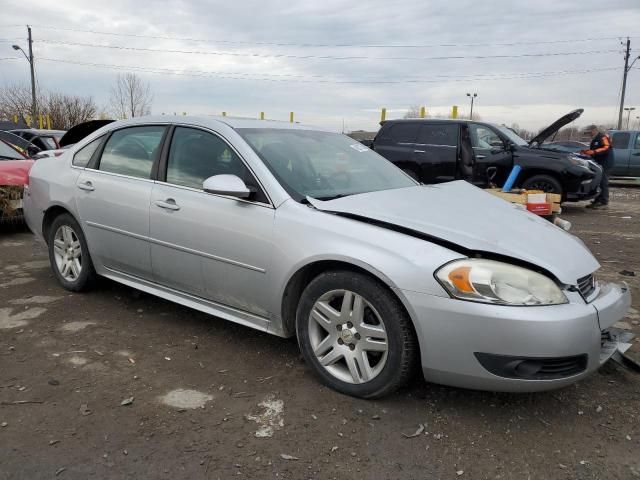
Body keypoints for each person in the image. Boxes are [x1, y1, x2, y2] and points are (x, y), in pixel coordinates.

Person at [581, 124, 613, 208]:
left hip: (605, 163)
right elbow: (595, 150)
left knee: (603, 182)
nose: (589, 134)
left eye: (589, 132)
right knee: (598, 181)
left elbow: (606, 148)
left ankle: (604, 202)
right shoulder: (595, 139)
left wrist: (594, 152)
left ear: (594, 130)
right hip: (598, 163)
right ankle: (597, 200)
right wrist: (587, 152)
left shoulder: (603, 137)